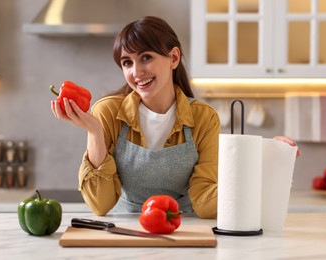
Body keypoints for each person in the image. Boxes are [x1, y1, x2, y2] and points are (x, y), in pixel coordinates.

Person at [51, 16, 300, 219]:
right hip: (127, 228)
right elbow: (101, 205)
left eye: (146, 57)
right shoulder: (107, 112)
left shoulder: (204, 118)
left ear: (173, 58)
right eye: (127, 62)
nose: (136, 72)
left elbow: (205, 200)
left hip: (185, 225)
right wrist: (94, 132)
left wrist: (264, 159)